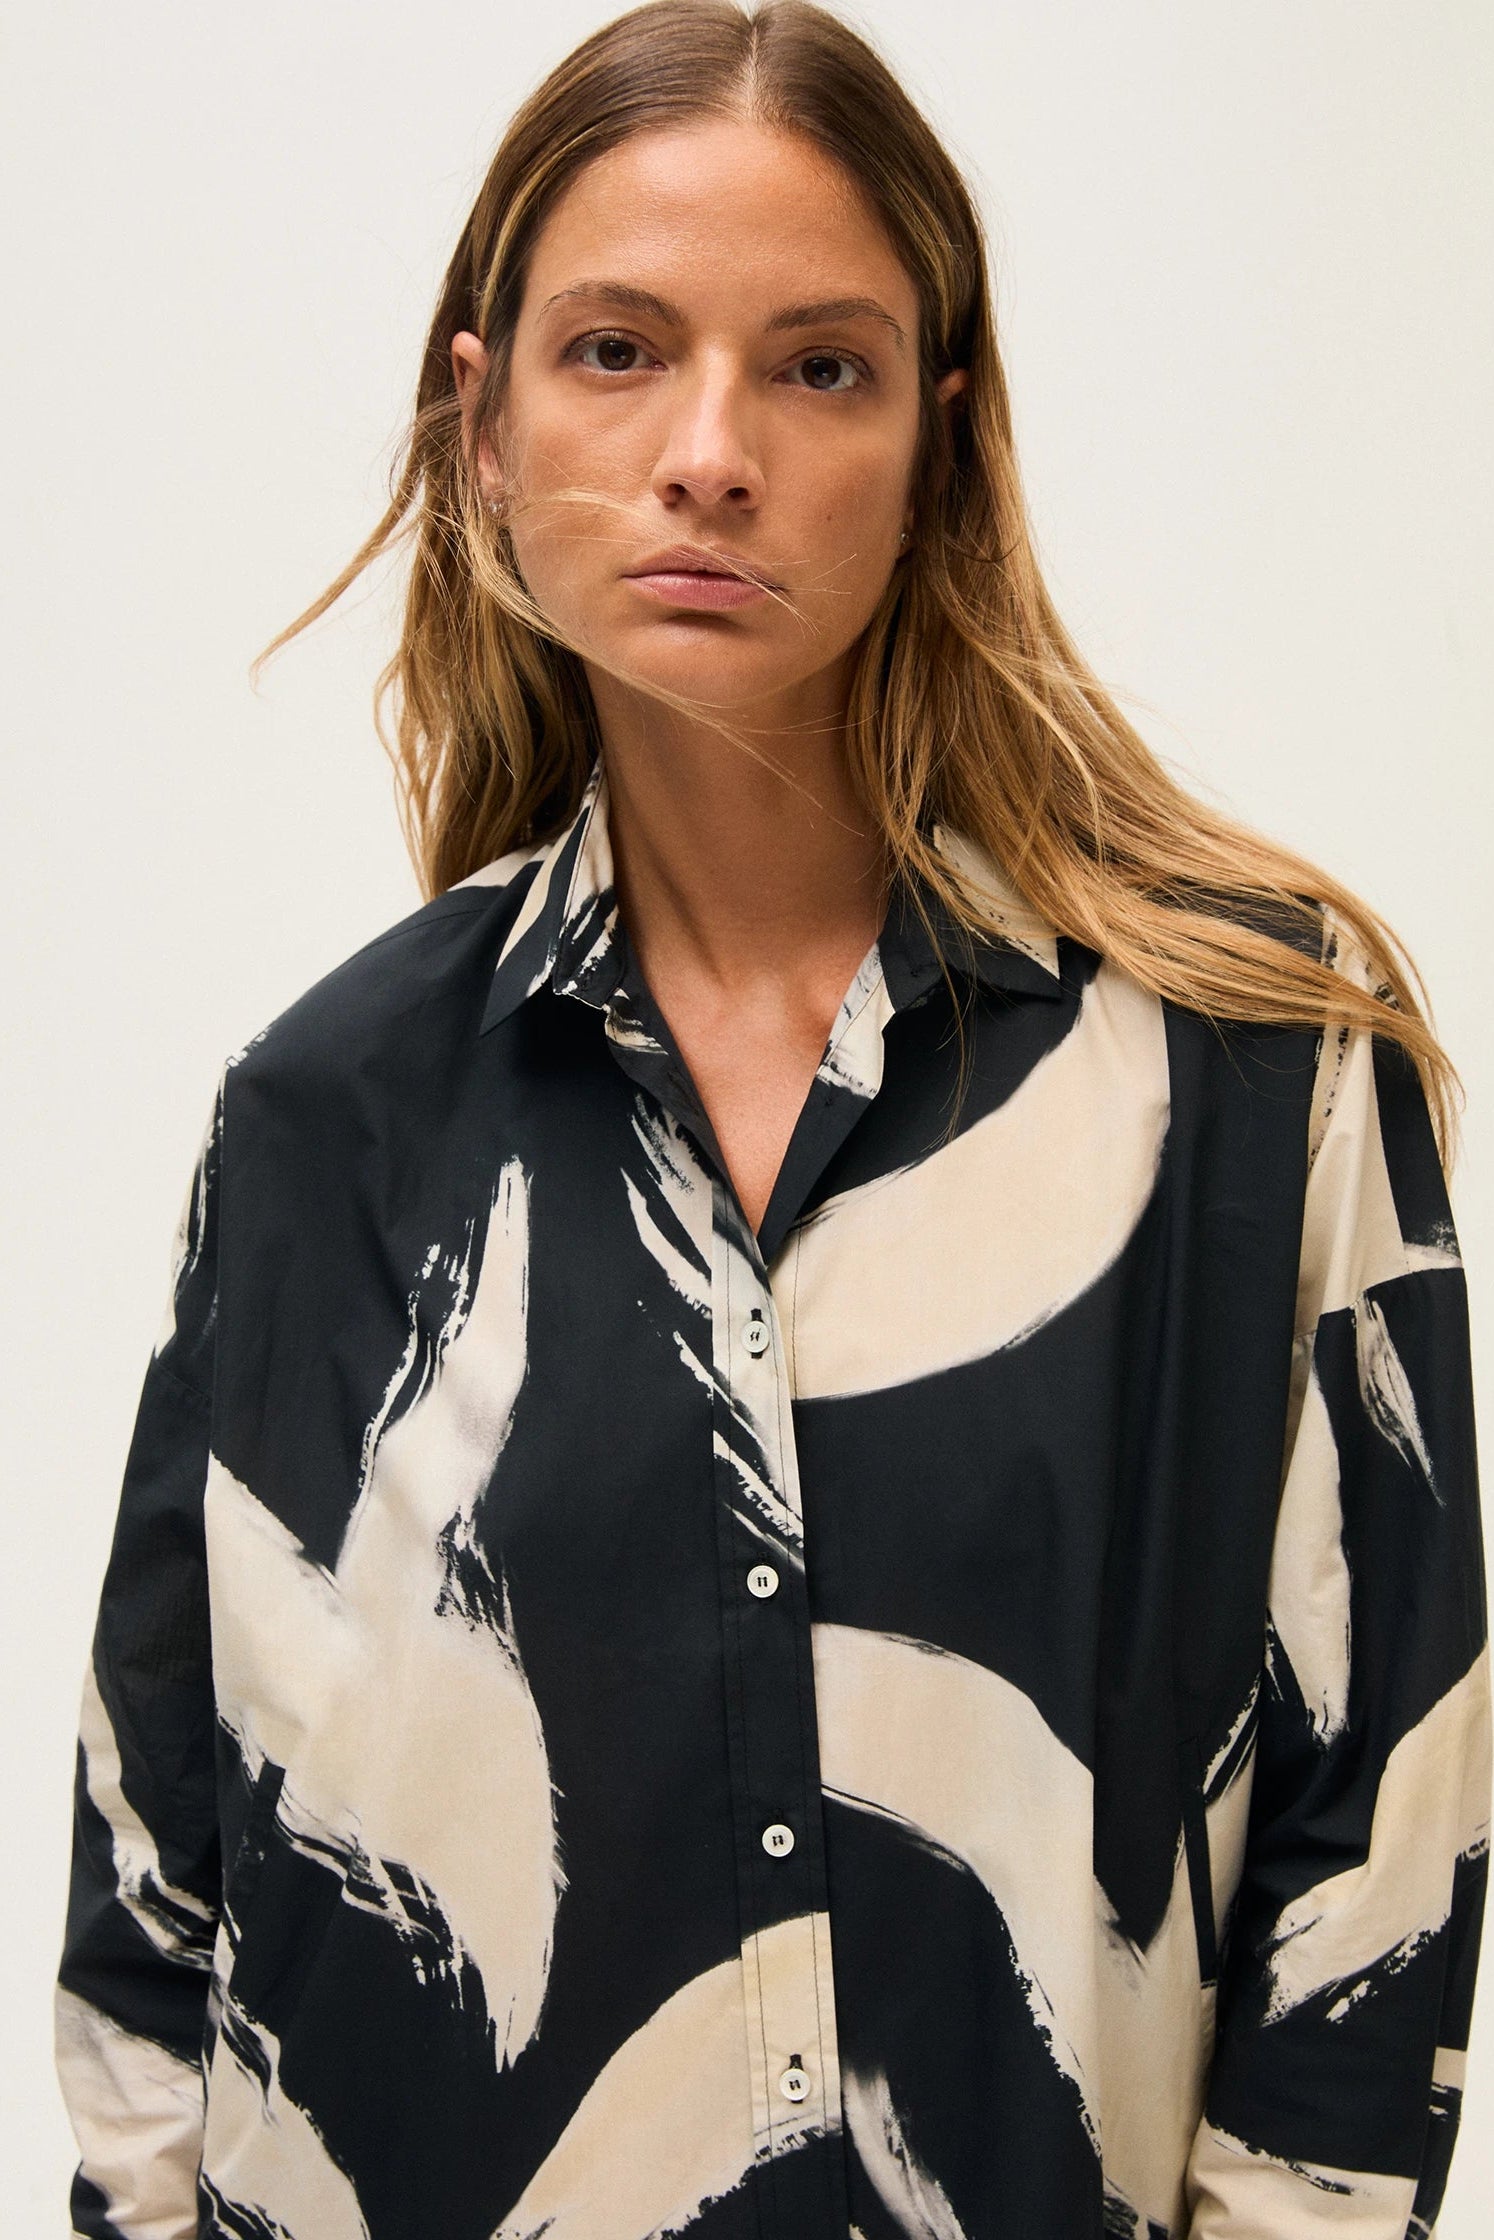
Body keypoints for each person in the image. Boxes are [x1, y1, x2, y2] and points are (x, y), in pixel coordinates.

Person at [55, 3, 1489, 2235]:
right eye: (616, 350)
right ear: (486, 428)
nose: (709, 451)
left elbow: (1378, 1862)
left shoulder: (1260, 1082)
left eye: (817, 365)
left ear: (943, 428)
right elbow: (163, 1892)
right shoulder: (323, 1119)